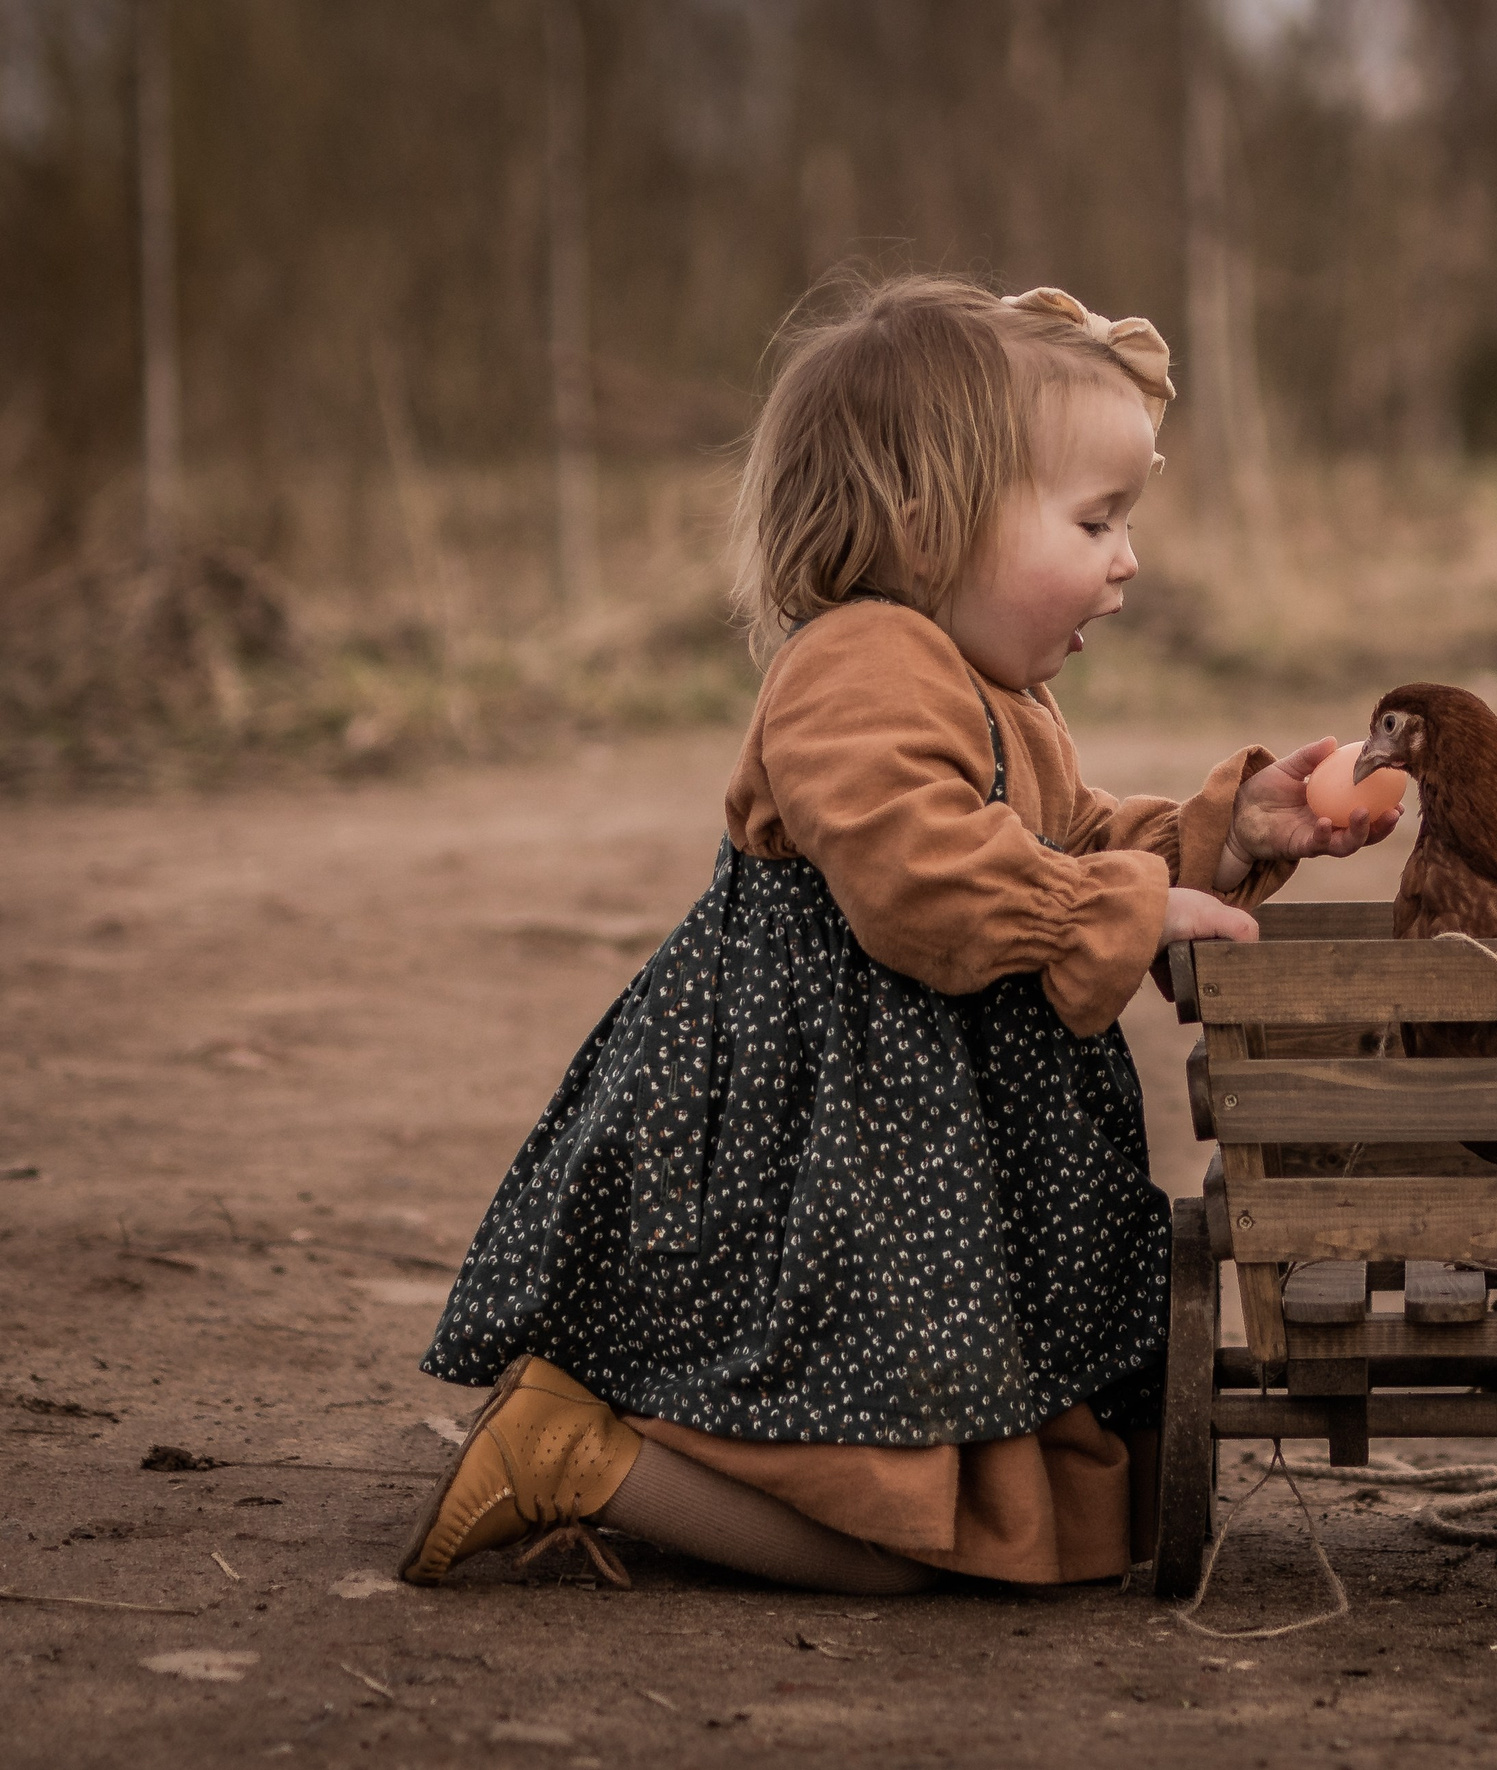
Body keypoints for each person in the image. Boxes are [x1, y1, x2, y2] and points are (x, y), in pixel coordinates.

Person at [398, 277, 1397, 1595]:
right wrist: (1117, 908)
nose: (1129, 557)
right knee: (886, 1536)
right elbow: (921, 877)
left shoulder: (999, 688)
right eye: (1095, 519)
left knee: (947, 1500)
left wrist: (1228, 839)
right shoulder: (857, 662)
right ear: (927, 527)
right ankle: (578, 1452)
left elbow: (1069, 841)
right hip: (826, 1159)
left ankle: (709, 1468)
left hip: (918, 1164)